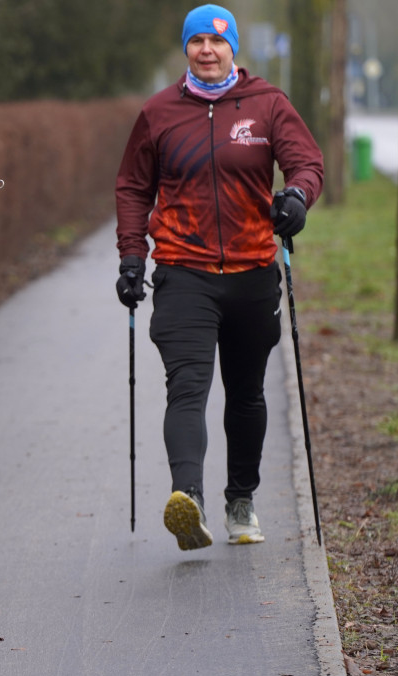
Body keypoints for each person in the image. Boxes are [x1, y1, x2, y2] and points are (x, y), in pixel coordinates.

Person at [114, 4, 323, 551]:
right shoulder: (158, 113)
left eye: (217, 40)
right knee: (187, 388)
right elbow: (134, 188)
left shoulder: (266, 103)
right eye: (197, 41)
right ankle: (189, 502)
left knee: (246, 393)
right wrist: (132, 258)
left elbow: (306, 163)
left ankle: (240, 500)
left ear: (233, 48)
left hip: (253, 272)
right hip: (184, 272)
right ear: (186, 49)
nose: (207, 49)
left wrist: (297, 198)